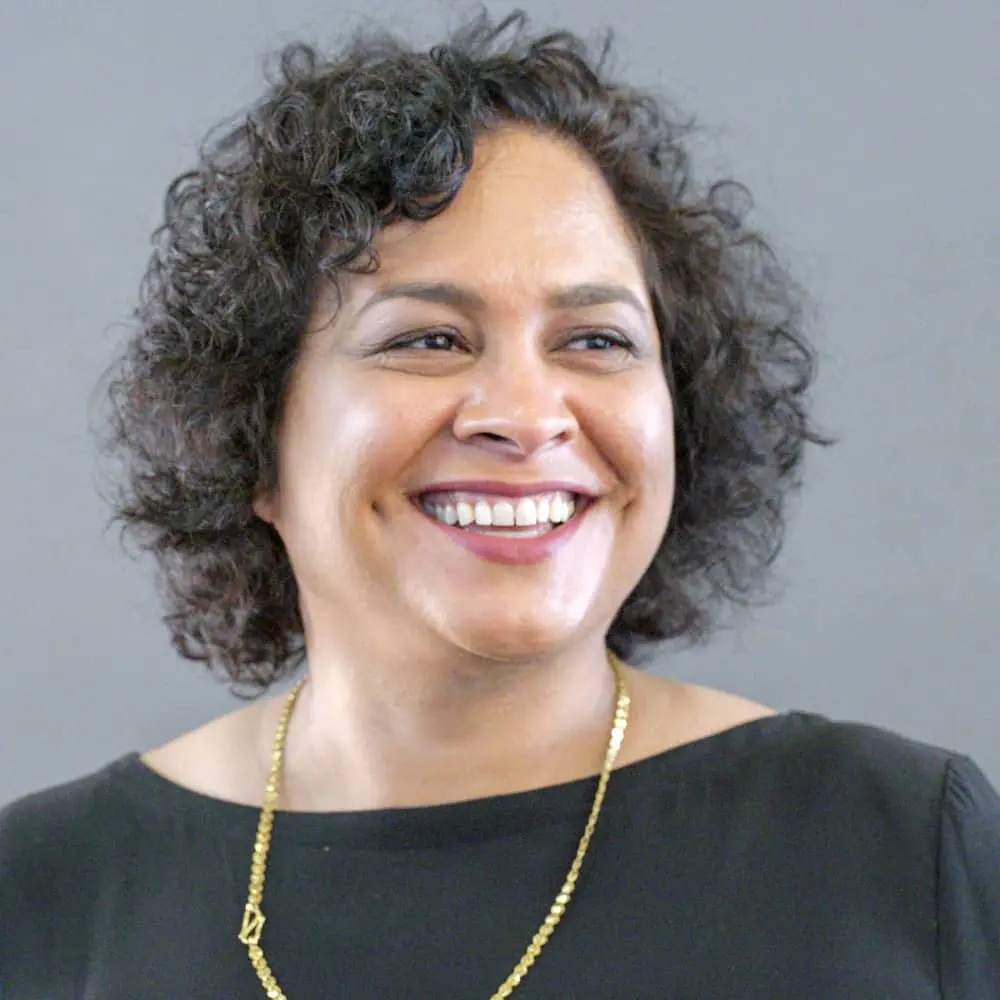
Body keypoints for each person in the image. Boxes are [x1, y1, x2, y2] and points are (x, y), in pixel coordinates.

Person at [1, 10, 997, 998]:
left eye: (595, 340)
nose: (525, 416)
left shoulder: (903, 845)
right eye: (428, 339)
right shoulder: (44, 893)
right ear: (251, 434)